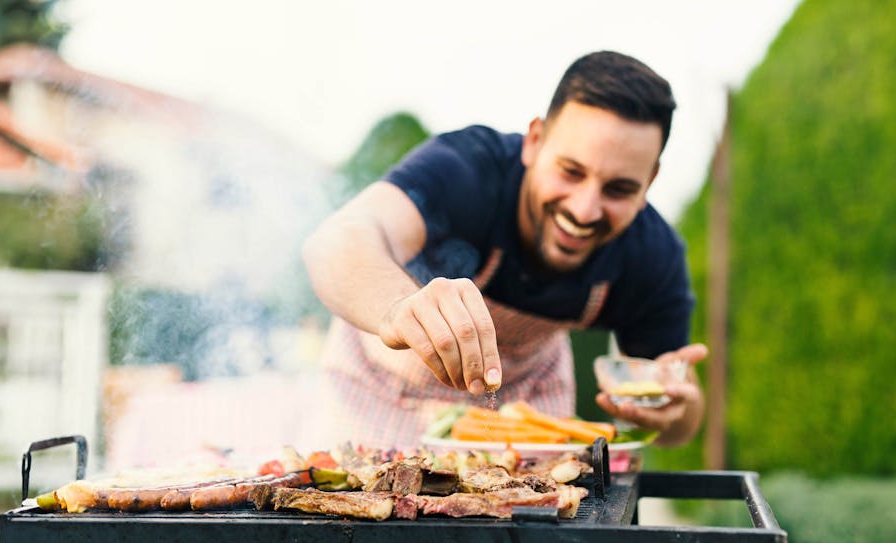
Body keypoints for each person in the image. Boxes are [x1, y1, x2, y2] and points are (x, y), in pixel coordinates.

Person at [303, 50, 707, 449]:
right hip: (379, 394)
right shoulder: (468, 168)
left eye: (619, 189)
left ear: (649, 181)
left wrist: (672, 412)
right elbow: (337, 241)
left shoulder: (652, 254)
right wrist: (397, 309)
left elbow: (681, 424)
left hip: (526, 409)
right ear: (534, 141)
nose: (584, 210)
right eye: (570, 171)